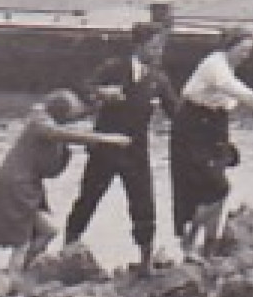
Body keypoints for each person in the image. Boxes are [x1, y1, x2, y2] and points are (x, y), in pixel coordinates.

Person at [64, 22, 179, 271]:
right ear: (140, 45)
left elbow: (177, 115)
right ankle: (69, 246)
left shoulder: (159, 80)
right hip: (103, 149)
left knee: (143, 204)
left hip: (136, 152)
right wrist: (100, 93)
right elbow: (81, 86)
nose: (159, 52)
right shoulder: (113, 68)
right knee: (88, 199)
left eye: (161, 47)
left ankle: (146, 261)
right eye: (155, 46)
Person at [0, 89, 130, 271]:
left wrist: (100, 104)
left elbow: (72, 120)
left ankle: (22, 272)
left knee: (46, 232)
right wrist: (109, 140)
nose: (73, 118)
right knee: (23, 240)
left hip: (24, 185)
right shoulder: (41, 124)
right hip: (16, 186)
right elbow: (64, 134)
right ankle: (14, 277)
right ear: (59, 111)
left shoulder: (45, 118)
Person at [171, 27, 253, 257]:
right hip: (194, 126)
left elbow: (230, 102)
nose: (247, 55)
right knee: (219, 187)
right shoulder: (215, 65)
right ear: (230, 46)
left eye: (250, 51)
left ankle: (209, 245)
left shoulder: (228, 67)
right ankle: (189, 237)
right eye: (244, 50)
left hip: (214, 127)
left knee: (213, 189)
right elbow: (239, 93)